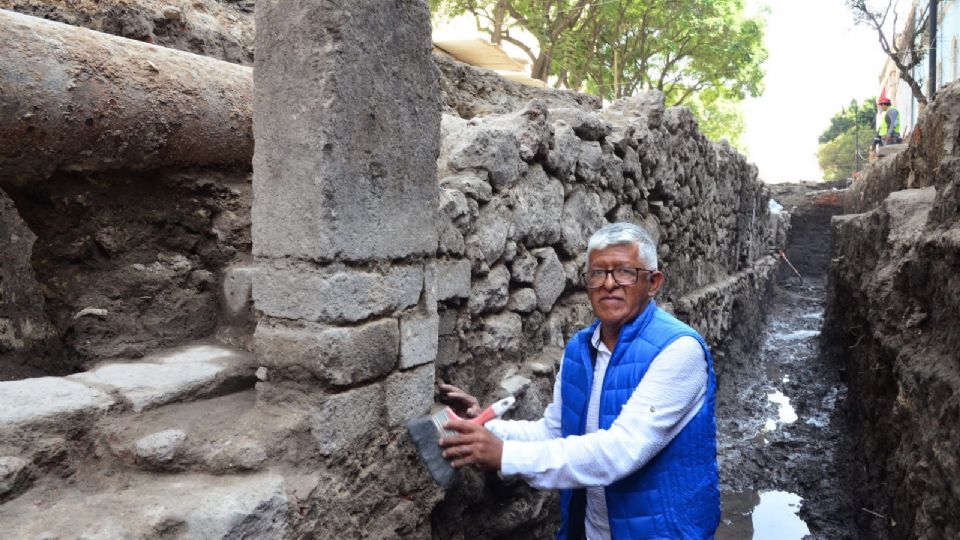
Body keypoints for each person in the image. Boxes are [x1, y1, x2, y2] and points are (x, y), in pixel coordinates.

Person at [439, 222, 720, 539]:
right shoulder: (579, 351)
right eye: (597, 273)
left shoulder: (679, 350)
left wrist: (505, 455)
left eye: (625, 272)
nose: (609, 284)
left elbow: (619, 451)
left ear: (653, 283)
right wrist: (484, 426)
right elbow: (555, 431)